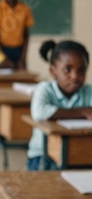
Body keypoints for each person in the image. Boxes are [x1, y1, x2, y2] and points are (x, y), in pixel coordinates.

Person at [27, 40, 92, 170]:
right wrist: (82, 112)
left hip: (79, 154)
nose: (74, 76)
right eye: (67, 70)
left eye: (81, 71)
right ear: (53, 71)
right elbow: (39, 113)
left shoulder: (88, 91)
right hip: (44, 155)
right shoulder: (44, 89)